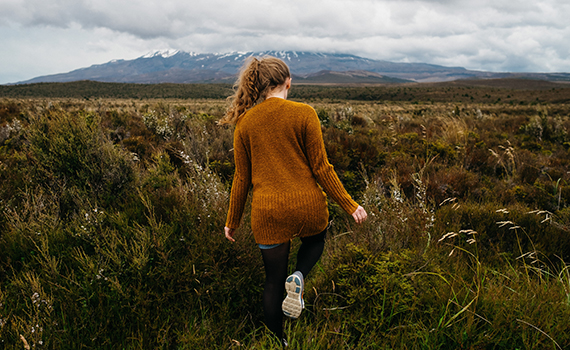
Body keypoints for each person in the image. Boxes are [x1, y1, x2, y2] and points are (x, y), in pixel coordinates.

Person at [221, 56, 367, 345]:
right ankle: (299, 276)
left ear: (259, 87)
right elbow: (322, 168)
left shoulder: (244, 124)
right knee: (315, 240)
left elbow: (241, 178)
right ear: (288, 83)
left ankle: (278, 343)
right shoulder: (305, 113)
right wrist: (351, 205)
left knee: (273, 282)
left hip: (268, 213)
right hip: (308, 206)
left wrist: (232, 222)